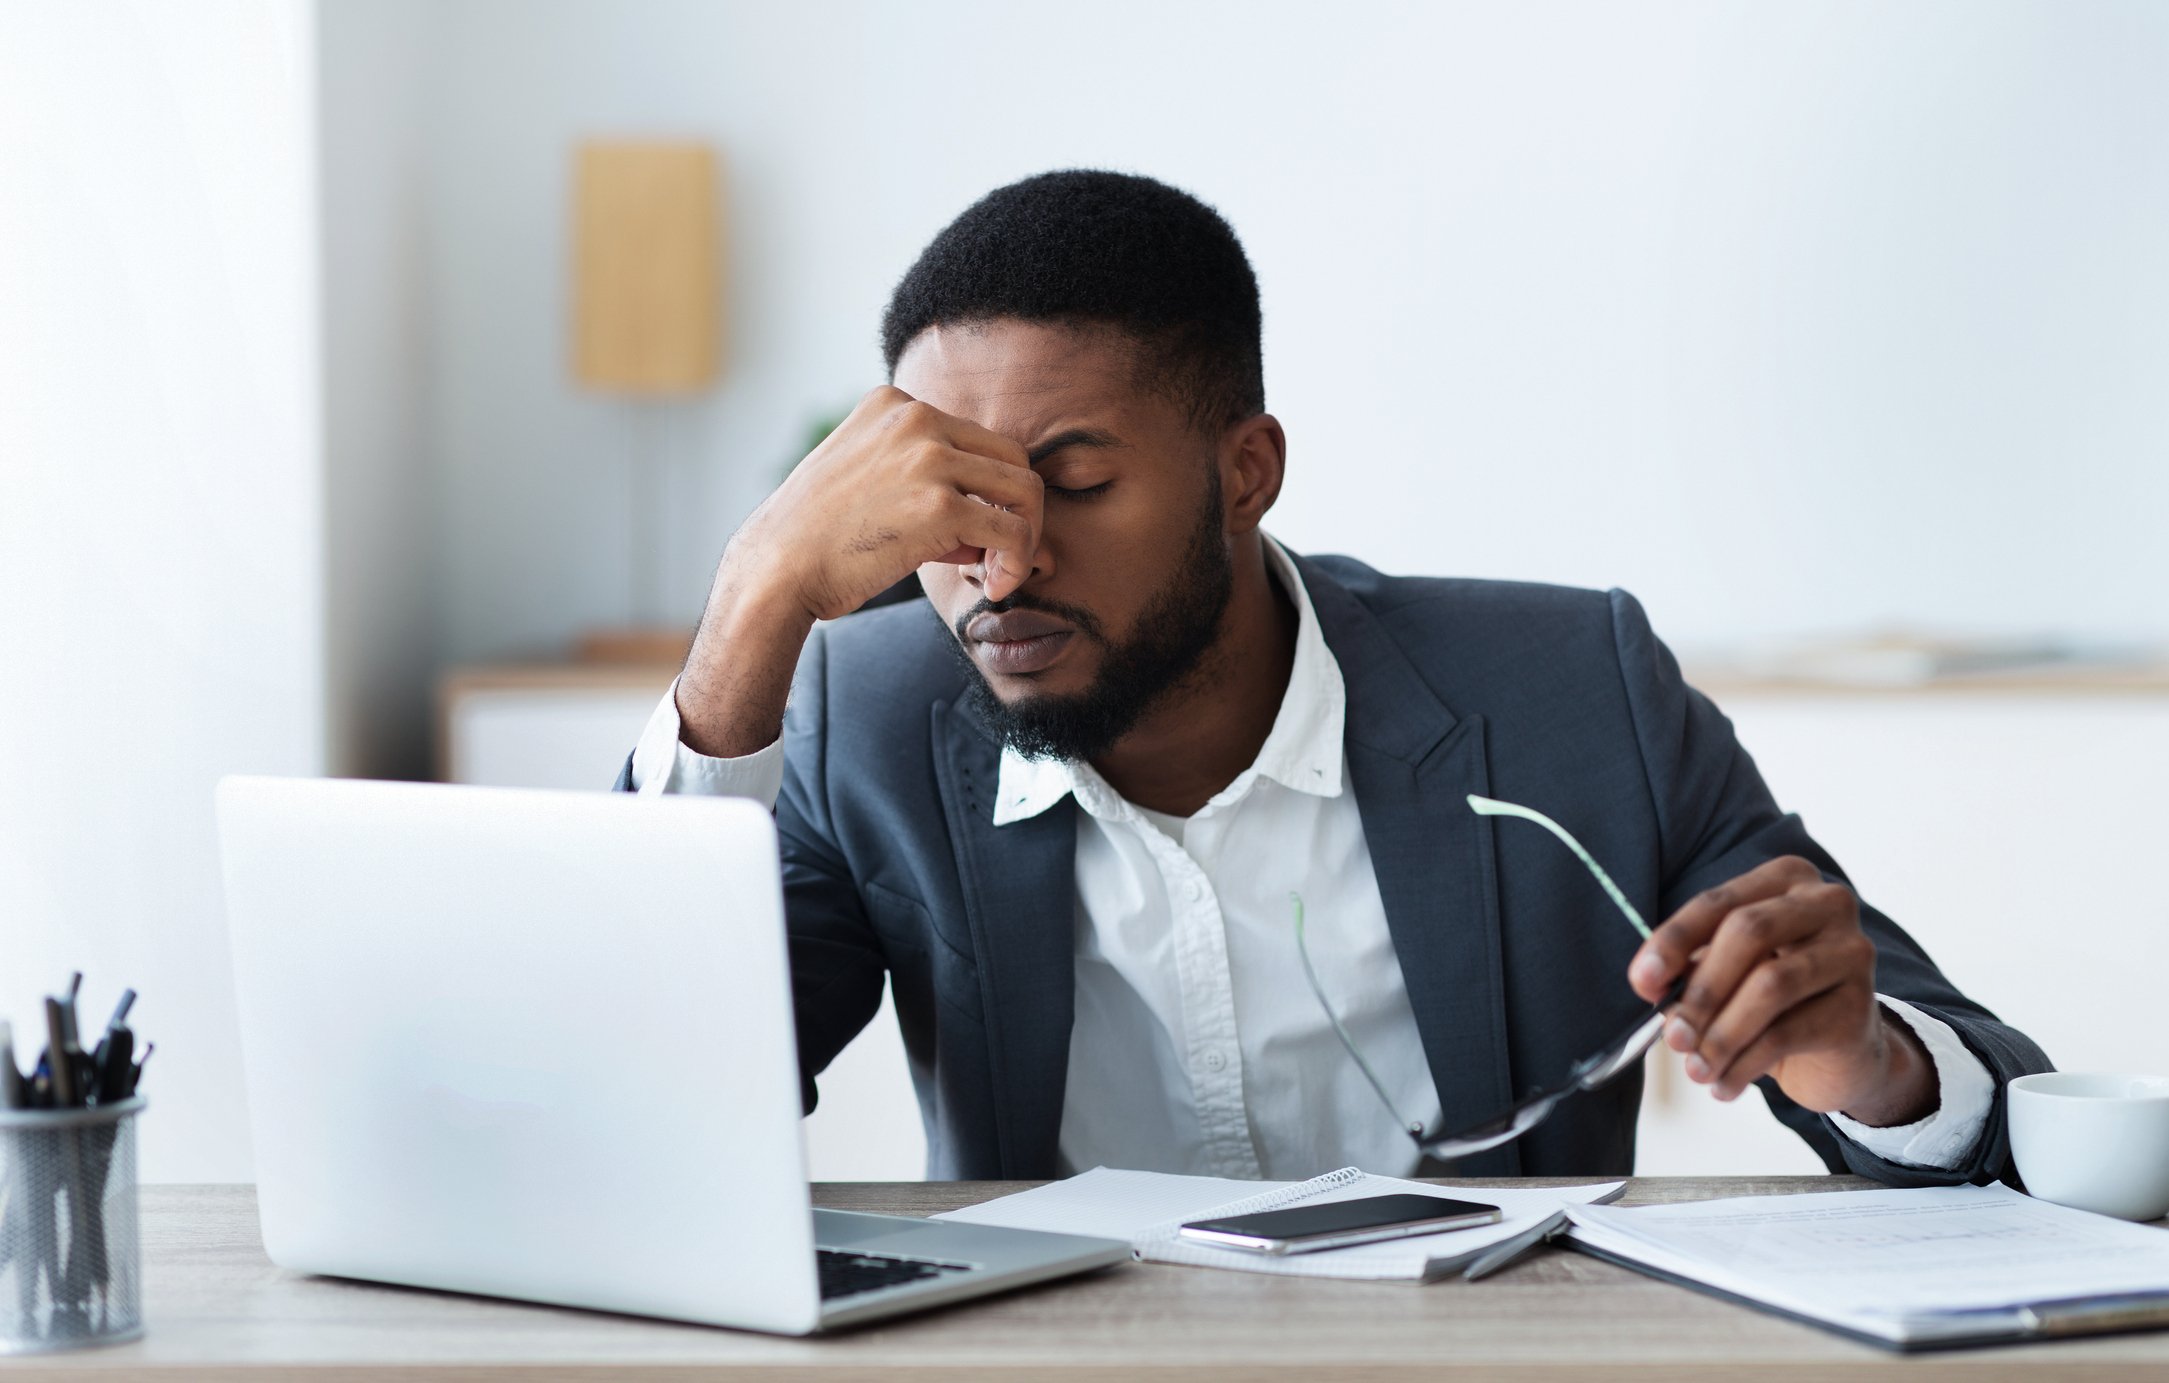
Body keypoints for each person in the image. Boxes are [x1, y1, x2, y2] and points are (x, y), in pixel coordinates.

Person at [618, 169, 2049, 1183]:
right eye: (954, 500)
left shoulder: (1569, 690)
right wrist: (753, 605)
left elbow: (2004, 1122)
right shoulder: (860, 718)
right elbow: (650, 1120)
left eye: (1075, 482)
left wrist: (1865, 1062)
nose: (1000, 566)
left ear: (1245, 474)